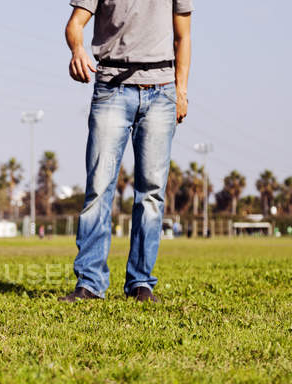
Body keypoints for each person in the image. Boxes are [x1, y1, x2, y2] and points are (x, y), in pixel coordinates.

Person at [59, 0, 193, 303]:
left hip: (161, 92)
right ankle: (90, 283)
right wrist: (77, 50)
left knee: (152, 192)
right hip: (111, 89)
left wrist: (181, 92)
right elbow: (74, 25)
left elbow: (183, 36)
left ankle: (141, 282)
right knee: (98, 188)